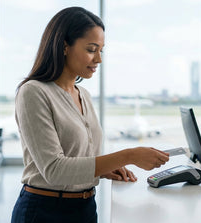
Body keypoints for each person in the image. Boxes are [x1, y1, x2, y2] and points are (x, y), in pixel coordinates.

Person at [11, 7, 169, 223]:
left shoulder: (83, 94)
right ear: (64, 46)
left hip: (85, 208)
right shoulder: (34, 92)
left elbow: (78, 156)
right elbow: (54, 170)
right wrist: (129, 155)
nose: (98, 59)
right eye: (91, 49)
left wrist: (103, 170)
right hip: (44, 212)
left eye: (101, 50)